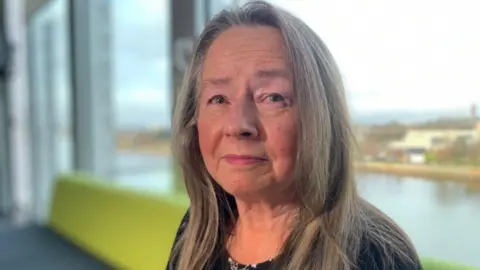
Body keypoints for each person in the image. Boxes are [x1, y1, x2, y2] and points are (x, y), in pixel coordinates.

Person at [167, 1, 421, 269]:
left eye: (273, 97)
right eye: (218, 99)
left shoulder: (377, 258)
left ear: (320, 117)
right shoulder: (199, 231)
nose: (238, 125)